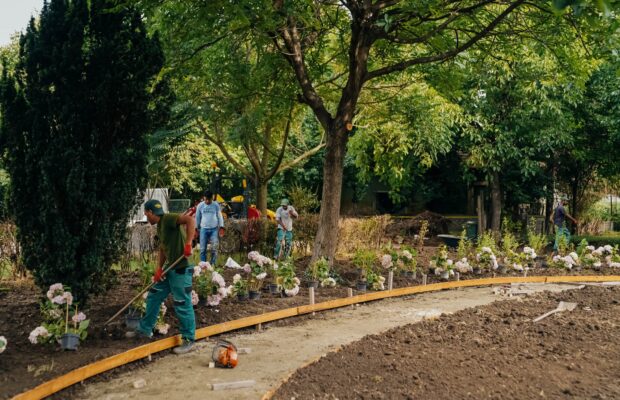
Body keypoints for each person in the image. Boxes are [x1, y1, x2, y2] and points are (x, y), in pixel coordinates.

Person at [127, 199, 196, 354]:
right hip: (170, 268)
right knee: (154, 295)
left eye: (146, 214)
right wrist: (159, 269)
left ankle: (189, 339)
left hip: (182, 268)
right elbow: (163, 249)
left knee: (181, 302)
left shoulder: (168, 218)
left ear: (151, 212)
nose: (146, 217)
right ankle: (145, 330)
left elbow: (190, 219)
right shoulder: (160, 228)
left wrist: (188, 243)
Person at [195, 190, 225, 265]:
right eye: (206, 199)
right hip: (203, 229)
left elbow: (219, 216)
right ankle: (203, 266)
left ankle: (212, 265)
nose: (207, 201)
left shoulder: (216, 205)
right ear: (203, 198)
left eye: (209, 199)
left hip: (214, 229)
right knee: (202, 249)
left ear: (212, 198)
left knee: (214, 248)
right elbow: (197, 217)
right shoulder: (200, 206)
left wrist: (221, 226)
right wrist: (196, 228)